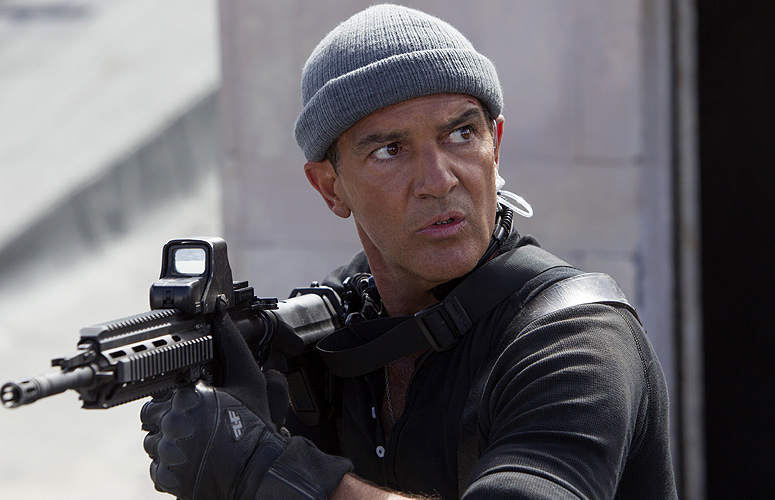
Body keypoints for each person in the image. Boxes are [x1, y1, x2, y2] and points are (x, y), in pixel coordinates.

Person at [141, 4, 678, 499]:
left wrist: (271, 472)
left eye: (461, 134)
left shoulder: (575, 340)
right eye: (390, 150)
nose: (438, 180)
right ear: (330, 187)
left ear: (496, 145)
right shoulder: (338, 330)